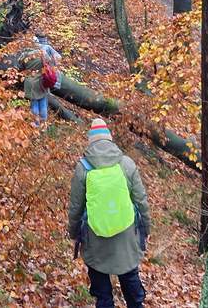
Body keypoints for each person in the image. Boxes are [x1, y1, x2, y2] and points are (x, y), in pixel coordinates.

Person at [68, 119, 151, 308]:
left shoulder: (83, 169)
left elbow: (76, 207)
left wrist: (73, 233)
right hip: (126, 236)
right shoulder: (127, 164)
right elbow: (141, 200)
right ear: (110, 140)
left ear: (91, 141)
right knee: (132, 287)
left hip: (95, 240)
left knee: (103, 297)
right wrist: (145, 228)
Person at [23, 32, 61, 128]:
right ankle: (43, 122)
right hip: (41, 82)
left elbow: (20, 63)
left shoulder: (25, 53)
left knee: (34, 103)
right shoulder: (43, 53)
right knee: (43, 101)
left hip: (30, 82)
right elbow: (53, 62)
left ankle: (36, 123)